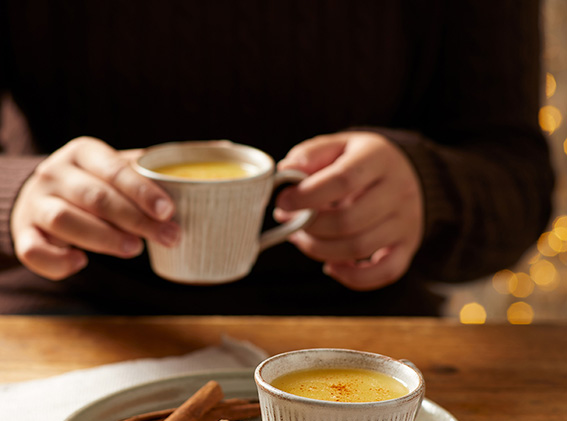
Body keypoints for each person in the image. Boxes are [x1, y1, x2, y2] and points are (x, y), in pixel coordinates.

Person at [0, 1, 555, 316]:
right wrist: (19, 195)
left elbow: (518, 179)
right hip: (68, 308)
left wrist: (430, 189)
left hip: (359, 326)